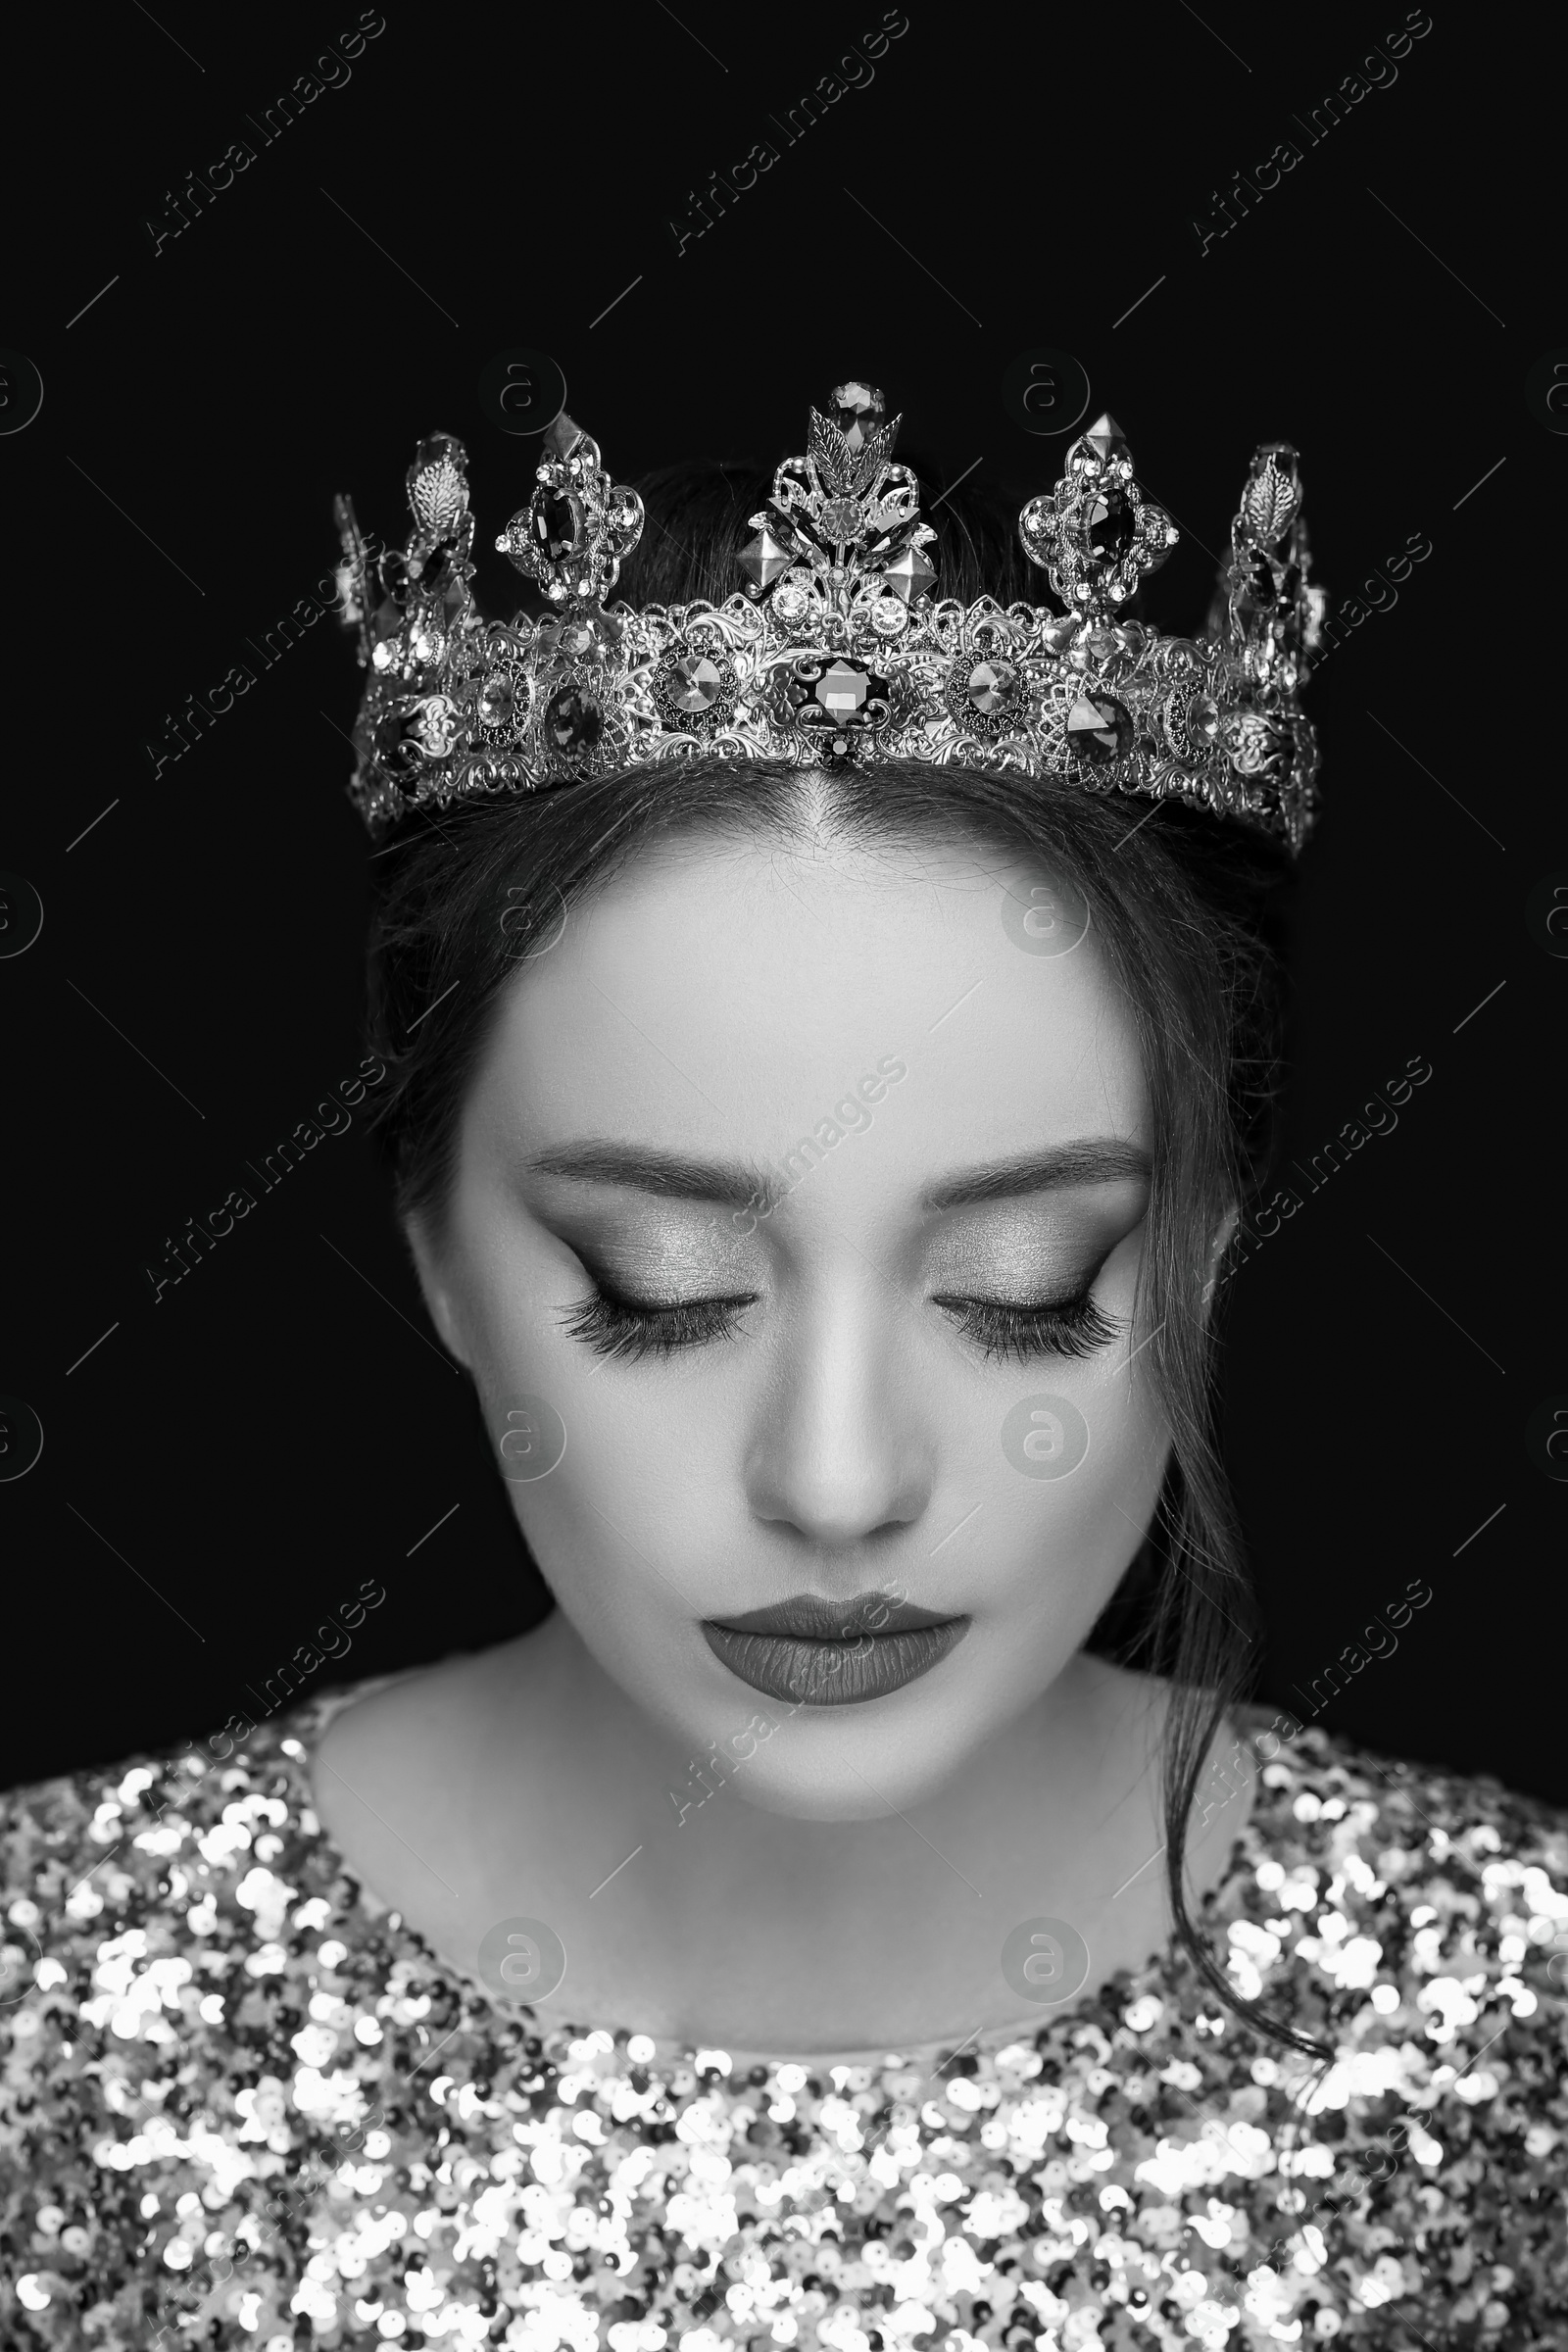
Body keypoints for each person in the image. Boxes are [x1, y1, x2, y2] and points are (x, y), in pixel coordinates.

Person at [4, 388, 1563, 2351]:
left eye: (1028, 1282)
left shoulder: (1510, 2033)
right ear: (435, 1253)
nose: (836, 1481)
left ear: (1203, 1255)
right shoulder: (48, 2011)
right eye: (660, 1288)